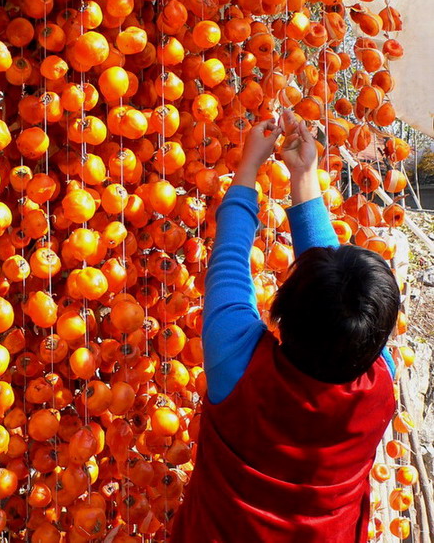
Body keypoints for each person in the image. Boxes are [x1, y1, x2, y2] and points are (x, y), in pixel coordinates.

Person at [170, 111, 400, 543]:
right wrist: (303, 173)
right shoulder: (380, 381)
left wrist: (251, 164)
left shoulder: (239, 369)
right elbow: (336, 297)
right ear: (379, 336)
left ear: (278, 314)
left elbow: (229, 257)